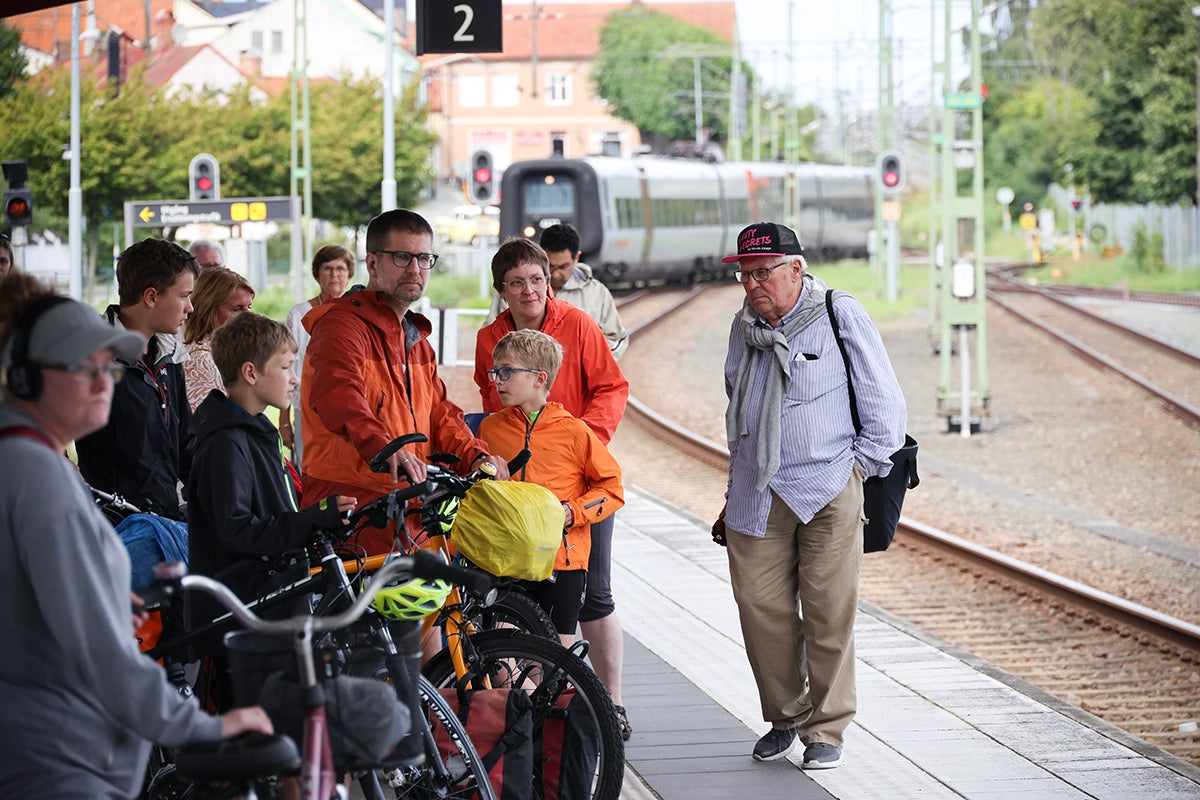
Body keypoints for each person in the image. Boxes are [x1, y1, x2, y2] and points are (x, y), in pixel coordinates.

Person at [0, 273, 272, 798]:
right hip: (53, 758)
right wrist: (205, 729)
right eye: (86, 367)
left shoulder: (32, 463)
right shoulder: (36, 476)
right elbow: (102, 652)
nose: (106, 380)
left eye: (109, 366)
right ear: (26, 378)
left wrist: (97, 596)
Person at [714, 221, 906, 770]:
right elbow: (737, 410)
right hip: (756, 492)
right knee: (760, 609)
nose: (752, 284)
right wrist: (732, 490)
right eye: (745, 275)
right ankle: (786, 716)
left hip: (828, 488)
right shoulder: (743, 328)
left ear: (796, 269)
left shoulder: (840, 314)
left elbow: (885, 407)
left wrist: (856, 470)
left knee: (828, 612)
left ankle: (827, 728)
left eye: (763, 272)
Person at [473, 236, 632, 739]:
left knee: (594, 597)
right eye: (516, 282)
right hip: (519, 508)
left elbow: (612, 387)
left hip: (574, 488)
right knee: (511, 606)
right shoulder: (489, 337)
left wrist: (581, 441)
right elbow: (491, 409)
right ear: (501, 289)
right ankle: (527, 712)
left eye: (537, 279)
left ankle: (609, 704)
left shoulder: (578, 323)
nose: (529, 290)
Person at [300, 209, 507, 556]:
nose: (415, 269)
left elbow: (441, 413)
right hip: (353, 511)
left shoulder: (415, 340)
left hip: (405, 507)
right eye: (402, 257)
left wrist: (475, 455)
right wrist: (384, 447)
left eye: (424, 258)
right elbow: (339, 395)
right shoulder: (341, 327)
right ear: (372, 263)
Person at [187, 311, 356, 705]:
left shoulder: (254, 432)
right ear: (250, 373)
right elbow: (238, 530)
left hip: (270, 615)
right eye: (285, 367)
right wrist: (311, 520)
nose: (294, 378)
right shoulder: (226, 443)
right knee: (259, 734)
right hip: (246, 622)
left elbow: (272, 515)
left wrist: (320, 523)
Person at [476, 329, 624, 647]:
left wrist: (572, 512)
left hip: (562, 562)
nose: (497, 380)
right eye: (495, 372)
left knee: (553, 660)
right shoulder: (489, 428)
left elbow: (612, 489)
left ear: (539, 378)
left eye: (506, 372)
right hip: (506, 560)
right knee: (501, 658)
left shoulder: (575, 432)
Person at [76, 238, 198, 521]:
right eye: (183, 296)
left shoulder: (169, 355)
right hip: (115, 528)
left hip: (165, 521)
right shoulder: (91, 356)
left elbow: (186, 445)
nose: (190, 307)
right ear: (151, 297)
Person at [486, 224, 628, 360]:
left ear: (576, 258)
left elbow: (616, 339)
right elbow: (492, 337)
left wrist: (585, 362)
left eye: (563, 267)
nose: (555, 274)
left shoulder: (597, 293)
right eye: (550, 266)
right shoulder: (514, 292)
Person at [279, 243, 354, 469]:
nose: (334, 274)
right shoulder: (299, 314)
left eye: (340, 268)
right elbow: (286, 367)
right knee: (308, 471)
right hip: (307, 410)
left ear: (349, 273)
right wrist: (284, 420)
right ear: (316, 273)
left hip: (349, 411)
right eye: (327, 268)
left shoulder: (357, 313)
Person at [183, 266, 255, 411]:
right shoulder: (200, 361)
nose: (249, 316)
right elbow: (207, 421)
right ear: (208, 311)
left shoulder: (228, 352)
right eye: (237, 309)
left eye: (249, 307)